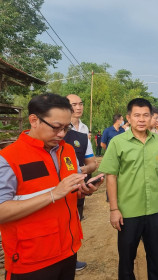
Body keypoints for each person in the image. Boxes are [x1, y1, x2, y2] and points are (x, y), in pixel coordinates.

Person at [0, 93, 102, 280]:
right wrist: (54, 194)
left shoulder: (67, 150)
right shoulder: (9, 158)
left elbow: (66, 192)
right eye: (56, 127)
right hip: (31, 260)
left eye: (66, 127)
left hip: (68, 250)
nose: (62, 134)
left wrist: (81, 191)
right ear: (34, 120)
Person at [98, 98, 158, 280]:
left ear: (151, 118)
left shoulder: (157, 141)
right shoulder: (118, 142)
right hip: (128, 212)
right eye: (137, 115)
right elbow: (111, 176)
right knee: (127, 259)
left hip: (154, 210)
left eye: (146, 116)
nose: (141, 119)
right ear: (129, 118)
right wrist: (114, 209)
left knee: (156, 256)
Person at [66, 94, 97, 270]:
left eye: (80, 104)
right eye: (74, 104)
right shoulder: (59, 129)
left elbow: (91, 162)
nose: (78, 107)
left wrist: (81, 171)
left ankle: (72, 258)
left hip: (79, 182)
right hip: (62, 183)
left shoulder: (84, 129)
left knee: (75, 220)